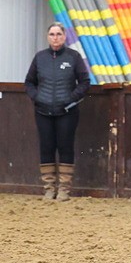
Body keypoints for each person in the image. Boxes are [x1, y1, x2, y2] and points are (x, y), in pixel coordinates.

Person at [24, 22, 90, 201]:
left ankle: (64, 189)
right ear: (48, 37)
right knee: (46, 147)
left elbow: (84, 82)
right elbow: (29, 82)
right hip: (43, 111)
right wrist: (37, 97)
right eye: (52, 34)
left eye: (59, 34)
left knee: (65, 147)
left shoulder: (73, 57)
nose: (55, 38)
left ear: (64, 36)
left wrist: (70, 98)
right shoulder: (40, 57)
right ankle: (49, 188)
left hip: (67, 112)